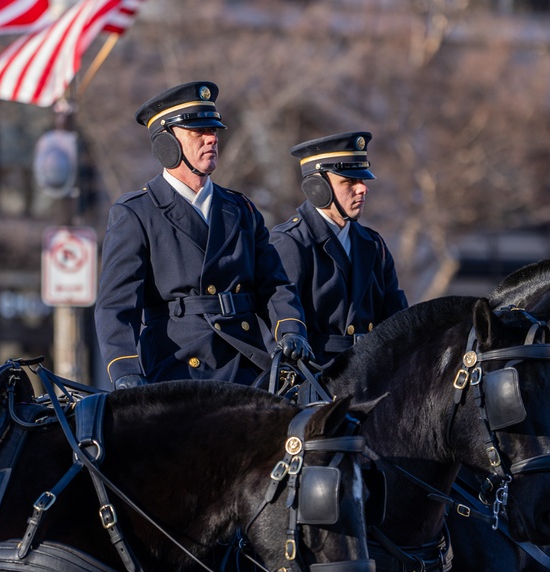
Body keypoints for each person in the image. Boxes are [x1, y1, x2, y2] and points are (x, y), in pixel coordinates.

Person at [95, 81, 312, 389]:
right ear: (166, 144)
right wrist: (125, 370)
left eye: (214, 132)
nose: (212, 139)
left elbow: (274, 284)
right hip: (176, 366)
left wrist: (290, 329)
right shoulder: (136, 212)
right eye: (199, 133)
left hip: (245, 361)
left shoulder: (242, 209)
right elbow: (116, 305)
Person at [270, 131, 408, 367]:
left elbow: (398, 319)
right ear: (317, 187)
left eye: (362, 180)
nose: (362, 189)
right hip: (315, 375)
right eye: (349, 181)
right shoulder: (290, 242)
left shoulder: (373, 245)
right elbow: (282, 307)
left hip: (371, 371)